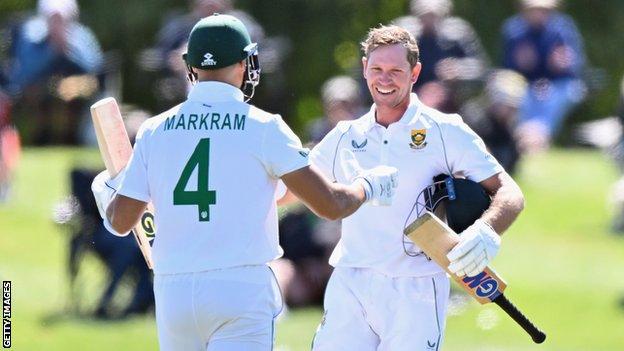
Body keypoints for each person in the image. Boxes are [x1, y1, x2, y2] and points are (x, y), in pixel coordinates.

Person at [91, 14, 398, 351]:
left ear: (190, 65)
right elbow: (330, 205)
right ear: (245, 63)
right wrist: (368, 186)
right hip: (240, 288)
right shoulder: (265, 127)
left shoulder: (153, 130)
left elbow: (120, 222)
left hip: (173, 291)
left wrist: (108, 190)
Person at [309, 25, 525, 350]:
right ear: (365, 68)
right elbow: (292, 189)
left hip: (418, 289)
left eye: (396, 70)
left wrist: (486, 231)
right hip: (351, 281)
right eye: (377, 69)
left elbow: (510, 193)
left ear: (415, 72)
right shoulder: (343, 135)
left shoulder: (444, 129)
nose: (385, 79)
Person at [1, 0, 103, 144]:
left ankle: (75, 139)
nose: (57, 23)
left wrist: (68, 49)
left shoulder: (82, 36)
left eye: (61, 18)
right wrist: (51, 50)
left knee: (76, 88)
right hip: (38, 95)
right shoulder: (30, 35)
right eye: (53, 18)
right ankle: (40, 139)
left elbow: (95, 69)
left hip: (78, 96)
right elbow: (23, 75)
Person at [502, 0, 586, 152]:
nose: (538, 14)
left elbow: (577, 65)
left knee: (558, 95)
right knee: (518, 96)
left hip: (557, 83)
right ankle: (528, 140)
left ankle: (536, 139)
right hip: (525, 84)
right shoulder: (514, 30)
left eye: (543, 10)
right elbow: (506, 68)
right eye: (534, 10)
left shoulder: (563, 28)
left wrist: (563, 64)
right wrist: (519, 63)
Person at [392, 0, 488, 113]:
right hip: (412, 100)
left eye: (433, 15)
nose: (429, 20)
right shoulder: (404, 37)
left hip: (454, 100)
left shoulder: (458, 34)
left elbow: (482, 68)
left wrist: (458, 70)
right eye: (424, 15)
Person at [460, 70, 528, 174]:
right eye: (508, 105)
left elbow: (511, 163)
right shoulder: (474, 116)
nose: (511, 110)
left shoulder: (510, 125)